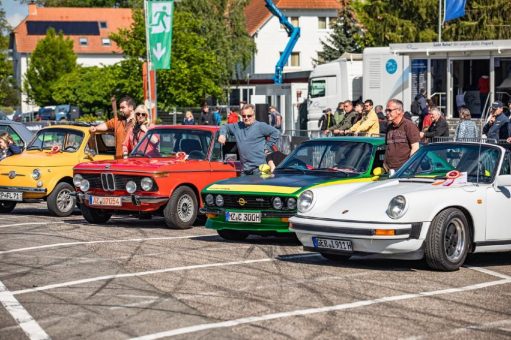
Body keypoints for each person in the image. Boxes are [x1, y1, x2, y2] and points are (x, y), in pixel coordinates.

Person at [218, 104, 280, 175]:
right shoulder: (238, 126)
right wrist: (222, 134)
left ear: (253, 115)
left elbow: (276, 132)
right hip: (244, 169)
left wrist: (267, 147)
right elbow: (224, 126)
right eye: (244, 116)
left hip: (259, 169)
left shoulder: (260, 126)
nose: (246, 118)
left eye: (249, 116)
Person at [383, 99, 420, 174]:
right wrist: (385, 163)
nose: (387, 113)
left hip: (405, 170)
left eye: (389, 110)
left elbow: (415, 148)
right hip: (390, 170)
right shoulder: (389, 127)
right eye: (386, 110)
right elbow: (387, 147)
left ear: (399, 111)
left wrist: (409, 168)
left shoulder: (409, 126)